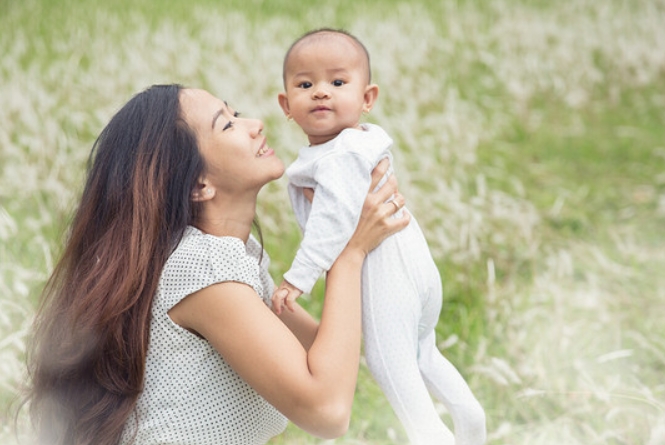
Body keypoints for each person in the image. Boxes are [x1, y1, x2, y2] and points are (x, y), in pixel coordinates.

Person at [23, 84, 409, 445]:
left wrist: (338, 224)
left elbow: (330, 358)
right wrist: (348, 252)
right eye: (227, 124)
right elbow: (327, 411)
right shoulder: (202, 270)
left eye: (235, 113)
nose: (256, 125)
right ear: (198, 185)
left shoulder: (229, 256)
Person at [272, 28, 487, 445]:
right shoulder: (360, 144)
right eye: (305, 84)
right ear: (286, 105)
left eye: (337, 82)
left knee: (400, 385)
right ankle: (471, 424)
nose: (321, 92)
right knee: (425, 353)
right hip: (419, 273)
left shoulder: (340, 155)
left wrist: (300, 276)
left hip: (387, 282)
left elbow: (332, 220)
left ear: (367, 98)